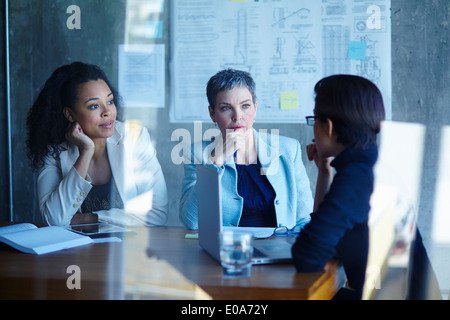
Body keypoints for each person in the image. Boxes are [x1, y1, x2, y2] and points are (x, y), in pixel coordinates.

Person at [26, 62, 168, 227]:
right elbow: (54, 220)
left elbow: (157, 213)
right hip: (74, 250)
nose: (107, 112)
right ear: (70, 114)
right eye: (94, 106)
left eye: (110, 101)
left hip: (126, 249)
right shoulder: (54, 151)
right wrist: (86, 152)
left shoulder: (135, 138)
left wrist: (90, 218)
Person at [179, 69, 313, 230]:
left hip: (278, 247)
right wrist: (216, 162)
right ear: (212, 113)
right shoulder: (196, 153)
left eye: (245, 106)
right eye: (226, 108)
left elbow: (303, 218)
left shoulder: (289, 149)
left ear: (255, 108)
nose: (237, 116)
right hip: (226, 248)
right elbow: (191, 221)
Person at [291, 74, 386, 299]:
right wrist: (324, 171)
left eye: (315, 120)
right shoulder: (371, 166)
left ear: (329, 126)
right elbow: (328, 235)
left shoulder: (355, 178)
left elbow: (308, 254)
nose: (313, 128)